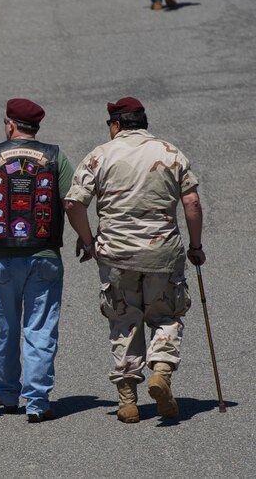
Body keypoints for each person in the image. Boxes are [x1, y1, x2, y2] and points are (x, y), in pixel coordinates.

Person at [64, 97, 204, 423]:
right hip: (163, 254)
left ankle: (127, 399)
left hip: (117, 256)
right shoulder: (170, 153)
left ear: (115, 125)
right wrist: (195, 246)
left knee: (124, 320)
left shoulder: (101, 155)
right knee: (166, 316)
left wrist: (89, 242)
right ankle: (161, 372)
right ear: (143, 122)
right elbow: (192, 201)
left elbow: (73, 204)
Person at [0, 98, 74, 423]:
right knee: (40, 327)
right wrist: (86, 238)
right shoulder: (54, 156)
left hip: (3, 256)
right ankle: (38, 402)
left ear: (10, 125)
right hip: (45, 255)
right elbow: (71, 202)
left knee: (6, 326)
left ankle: (7, 394)